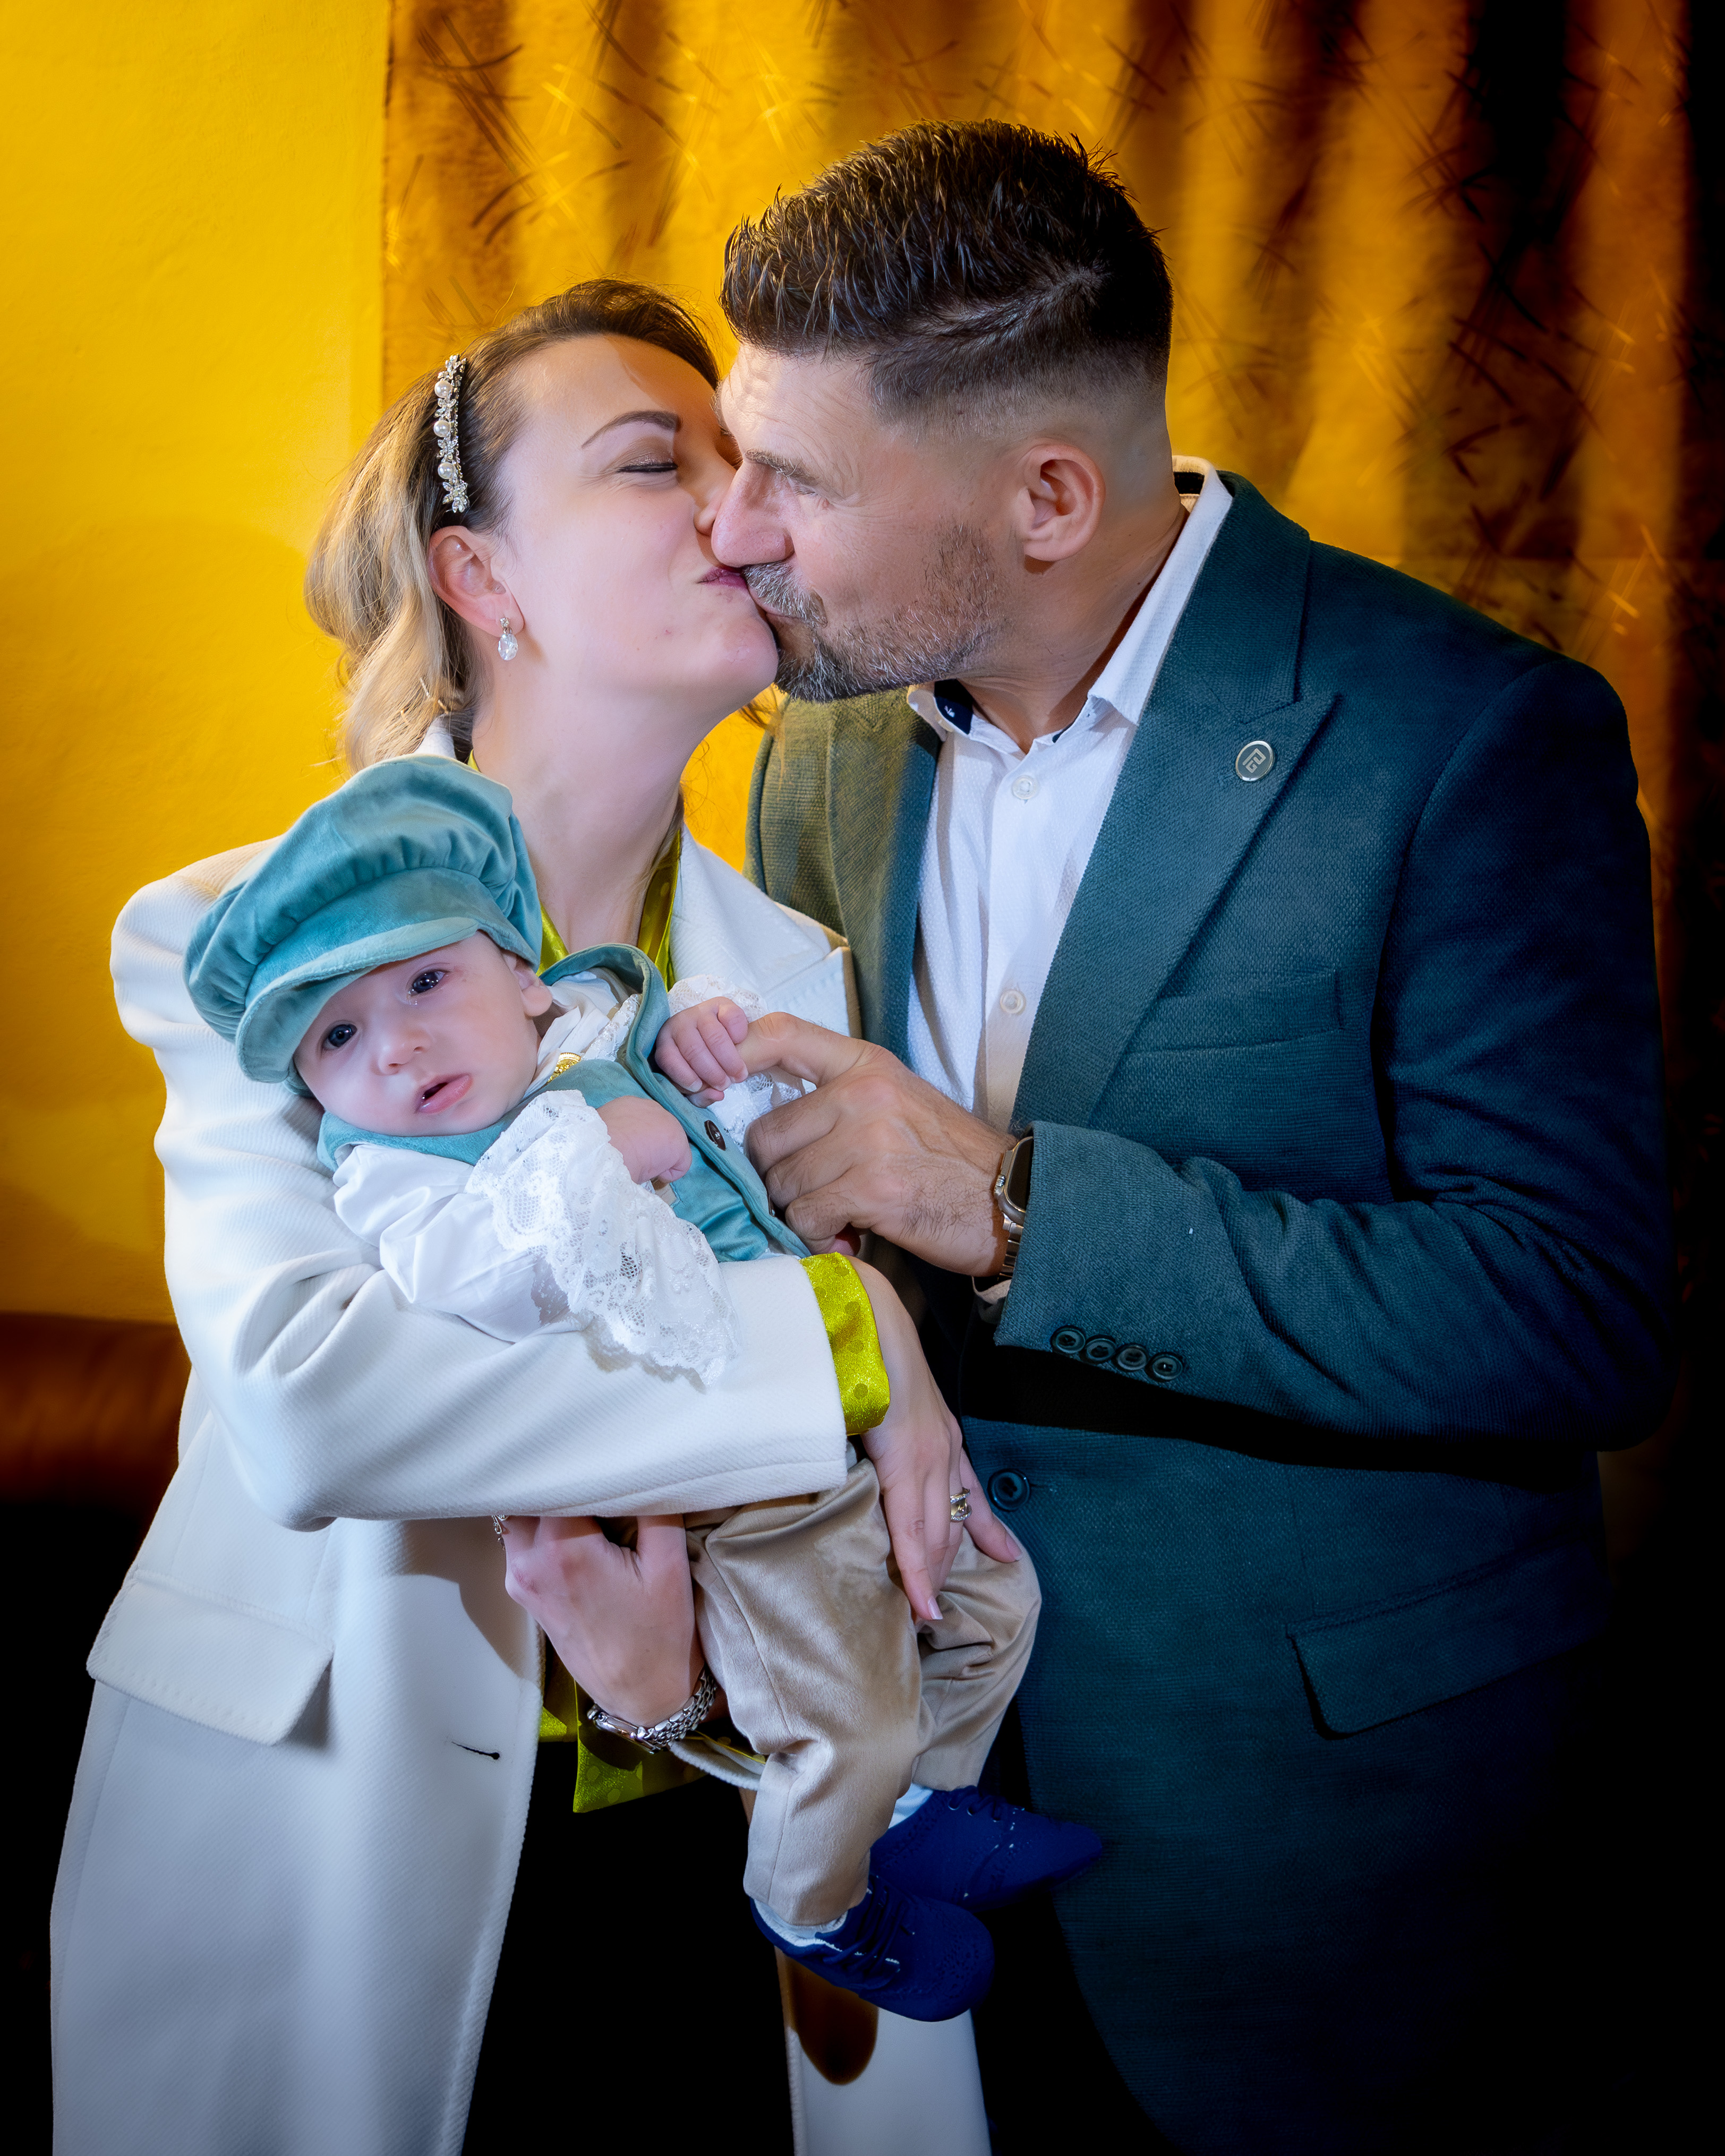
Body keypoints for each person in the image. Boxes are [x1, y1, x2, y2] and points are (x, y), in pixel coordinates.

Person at [710, 124, 1677, 2152]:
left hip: (1326, 1856)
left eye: (796, 479)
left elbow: (1571, 1310)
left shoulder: (1460, 736)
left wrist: (1004, 1205)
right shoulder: (817, 751)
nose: (736, 531)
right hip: (924, 1809)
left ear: (1046, 497)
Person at [50, 280, 1007, 2155]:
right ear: (478, 576)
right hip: (322, 1835)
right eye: (657, 462)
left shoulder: (796, 968)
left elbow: (806, 1528)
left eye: (749, 465)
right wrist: (840, 1334)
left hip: (698, 1842)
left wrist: (680, 1696)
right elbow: (323, 1403)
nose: (739, 508)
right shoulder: (225, 936)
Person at [180, 751, 1092, 2019]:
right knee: (847, 1704)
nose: (397, 1043)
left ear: (521, 974)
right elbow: (337, 1395)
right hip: (461, 1718)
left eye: (428, 981)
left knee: (991, 1599)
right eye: (336, 1035)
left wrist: (698, 1052)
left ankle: (909, 1814)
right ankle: (818, 1901)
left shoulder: (694, 975)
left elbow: (741, 1145)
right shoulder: (387, 1138)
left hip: (801, 1505)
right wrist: (835, 1315)